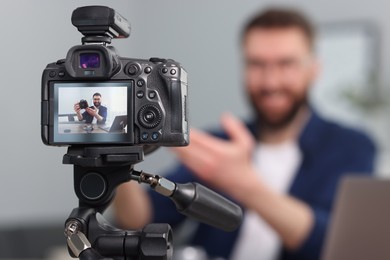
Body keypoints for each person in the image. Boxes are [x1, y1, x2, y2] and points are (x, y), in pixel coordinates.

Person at [113, 8, 376, 260]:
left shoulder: (352, 147)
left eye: (286, 64)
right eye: (257, 64)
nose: (271, 82)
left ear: (314, 69)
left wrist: (244, 184)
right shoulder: (221, 142)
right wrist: (118, 150)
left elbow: (336, 245)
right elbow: (141, 220)